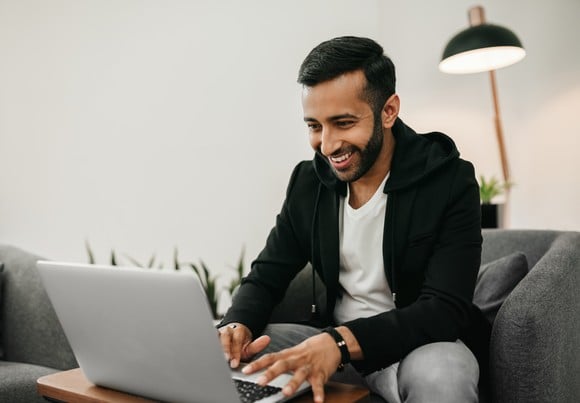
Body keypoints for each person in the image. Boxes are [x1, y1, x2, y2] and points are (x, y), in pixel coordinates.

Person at [218, 36, 490, 403]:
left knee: (443, 376)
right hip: (330, 340)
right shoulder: (309, 182)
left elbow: (444, 310)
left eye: (343, 123)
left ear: (389, 110)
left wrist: (340, 342)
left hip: (418, 347)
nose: (327, 146)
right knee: (213, 351)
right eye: (314, 126)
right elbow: (266, 276)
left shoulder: (448, 181)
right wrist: (236, 325)